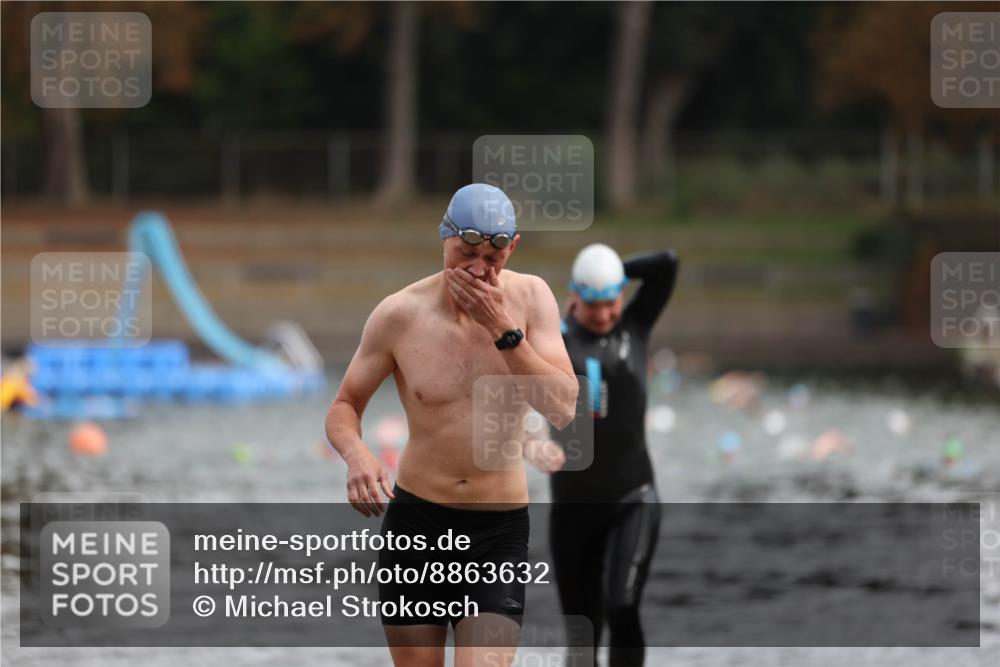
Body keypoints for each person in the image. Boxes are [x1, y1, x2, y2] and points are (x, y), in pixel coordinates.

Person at [325, 183, 578, 667]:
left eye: (492, 258)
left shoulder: (532, 299)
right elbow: (344, 405)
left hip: (497, 533)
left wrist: (503, 330)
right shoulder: (399, 314)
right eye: (465, 254)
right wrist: (357, 455)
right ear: (443, 239)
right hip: (416, 527)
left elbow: (564, 407)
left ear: (512, 248)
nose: (479, 270)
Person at [524, 242, 679, 666]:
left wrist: (614, 270)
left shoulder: (635, 327)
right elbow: (519, 400)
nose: (605, 314)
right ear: (574, 296)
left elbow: (667, 263)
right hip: (573, 510)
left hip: (634, 498)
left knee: (622, 603)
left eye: (612, 303)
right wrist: (532, 443)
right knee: (581, 637)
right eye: (594, 305)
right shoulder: (552, 341)